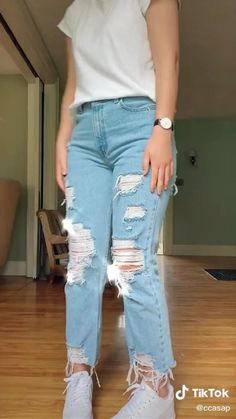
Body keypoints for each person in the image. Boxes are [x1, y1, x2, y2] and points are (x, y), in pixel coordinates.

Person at [56, 0, 180, 418]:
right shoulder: (76, 11)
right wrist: (62, 139)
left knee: (131, 258)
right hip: (85, 135)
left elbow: (169, 60)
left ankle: (157, 387)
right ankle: (78, 376)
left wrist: (163, 127)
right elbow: (74, 86)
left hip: (139, 122)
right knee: (82, 259)